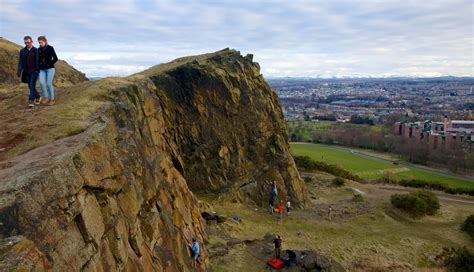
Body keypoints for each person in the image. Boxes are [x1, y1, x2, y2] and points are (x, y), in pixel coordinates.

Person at [17, 36, 41, 108]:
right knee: (30, 86)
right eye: (26, 42)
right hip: (26, 72)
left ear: (32, 42)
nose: (27, 44)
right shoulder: (22, 51)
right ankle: (38, 96)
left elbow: (38, 61)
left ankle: (31, 100)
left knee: (31, 84)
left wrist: (38, 69)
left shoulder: (36, 50)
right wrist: (19, 71)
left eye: (28, 42)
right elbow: (20, 61)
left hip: (34, 71)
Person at [37, 36, 58, 105]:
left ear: (45, 41)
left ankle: (52, 99)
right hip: (42, 69)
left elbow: (55, 58)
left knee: (49, 84)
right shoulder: (38, 50)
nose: (40, 44)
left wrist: (49, 63)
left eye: (41, 42)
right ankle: (46, 97)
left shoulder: (50, 48)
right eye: (39, 42)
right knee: (41, 82)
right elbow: (37, 60)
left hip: (50, 69)